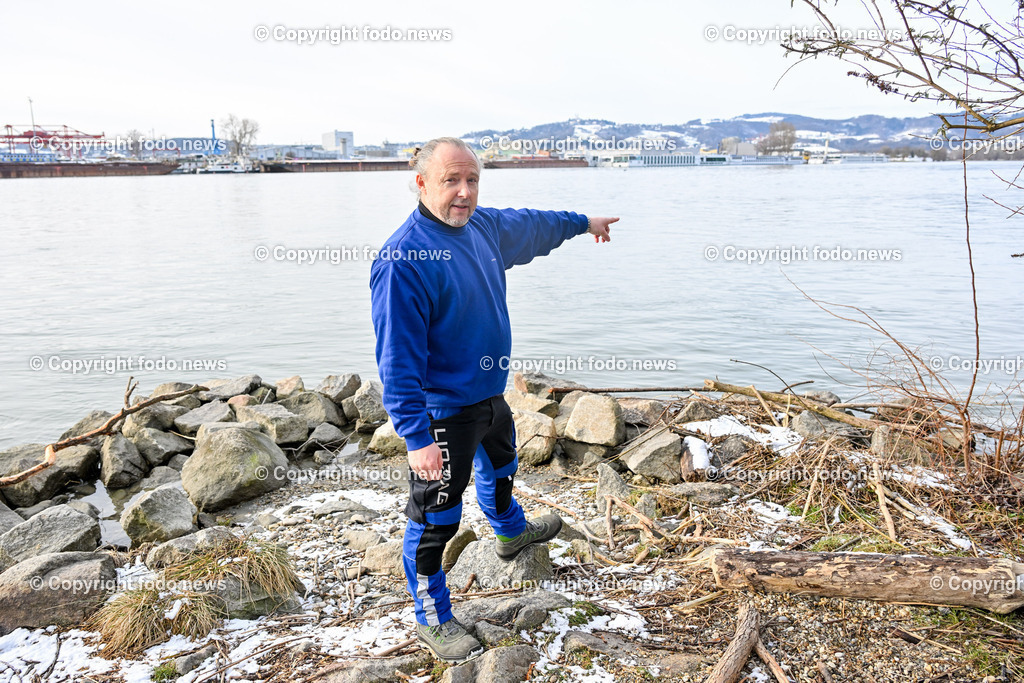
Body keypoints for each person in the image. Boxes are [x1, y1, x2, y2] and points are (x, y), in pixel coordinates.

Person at [369, 136, 618, 661]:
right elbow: (396, 363)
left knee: (503, 469)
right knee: (436, 519)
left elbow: (532, 223)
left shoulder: (481, 226)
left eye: (472, 180)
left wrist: (583, 223)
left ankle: (510, 534)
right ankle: (432, 617)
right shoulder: (403, 260)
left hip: (488, 396)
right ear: (420, 183)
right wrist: (416, 438)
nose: (464, 193)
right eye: (450, 181)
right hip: (441, 413)